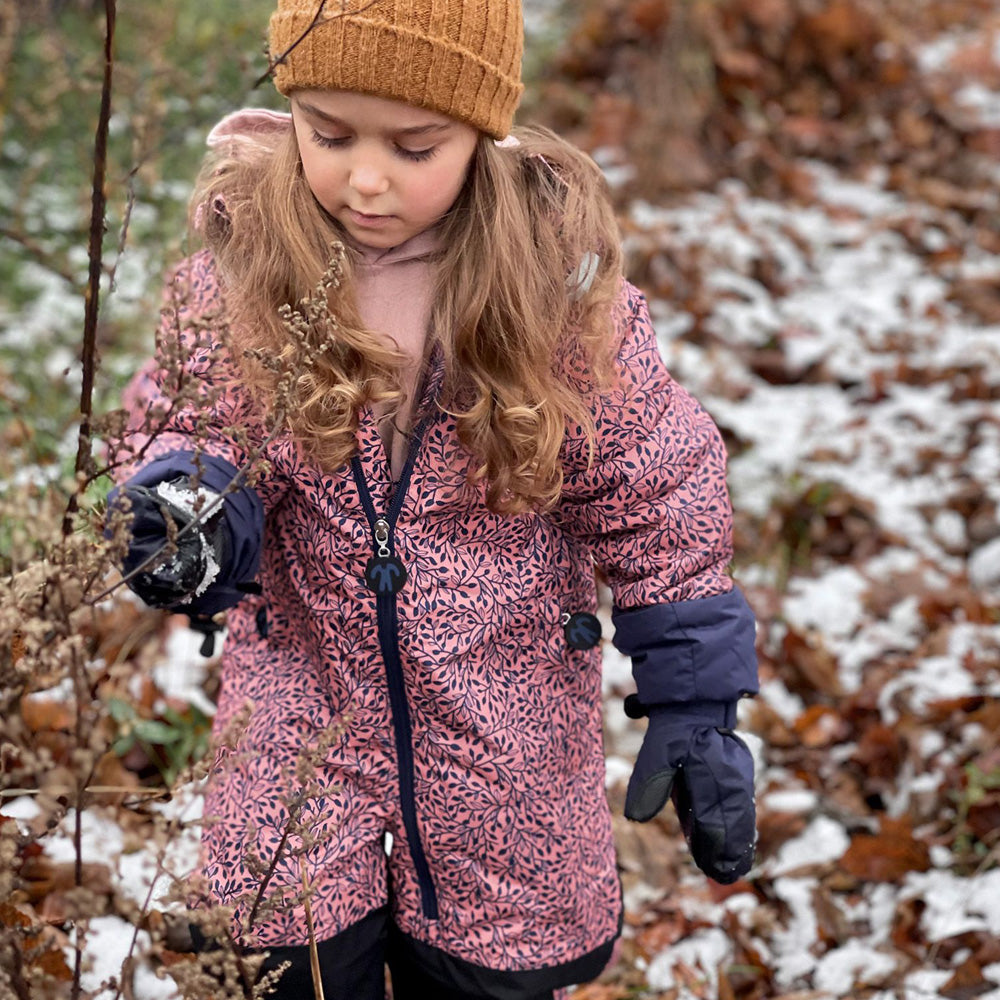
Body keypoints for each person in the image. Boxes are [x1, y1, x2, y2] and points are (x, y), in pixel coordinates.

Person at [109, 1, 759, 997]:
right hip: (301, 712)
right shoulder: (245, 274)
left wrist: (695, 697)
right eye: (327, 134)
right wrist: (188, 504)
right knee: (293, 963)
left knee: (484, 972)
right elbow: (196, 425)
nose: (364, 178)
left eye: (413, 145)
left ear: (481, 133)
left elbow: (654, 487)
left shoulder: (552, 293)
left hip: (504, 730)